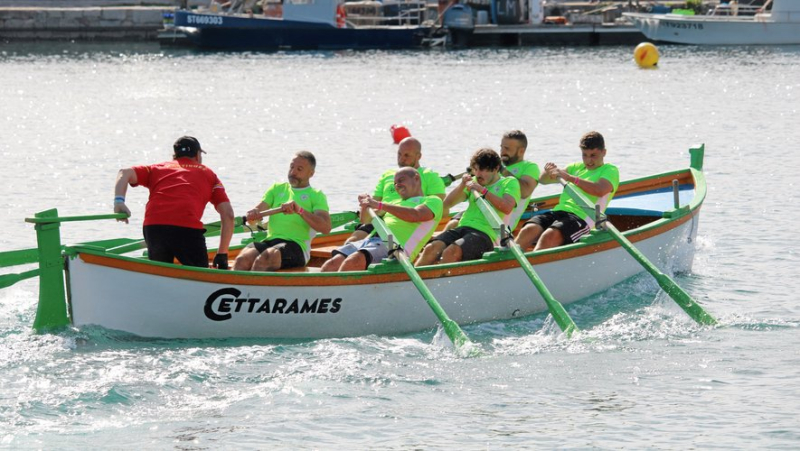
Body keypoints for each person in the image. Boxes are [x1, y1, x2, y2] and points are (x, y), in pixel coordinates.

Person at [113, 136, 235, 269]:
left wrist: (119, 202)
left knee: (160, 274)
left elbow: (124, 173)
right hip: (186, 228)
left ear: (174, 155)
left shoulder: (156, 168)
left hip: (154, 227)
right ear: (197, 155)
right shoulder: (209, 174)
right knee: (199, 275)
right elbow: (228, 215)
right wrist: (222, 254)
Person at [320, 167, 443, 272]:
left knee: (354, 261)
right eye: (394, 183)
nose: (397, 185)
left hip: (396, 248)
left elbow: (415, 215)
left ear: (416, 178)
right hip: (373, 241)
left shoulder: (433, 200)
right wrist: (365, 205)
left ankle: (342, 296)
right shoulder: (394, 202)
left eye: (401, 180)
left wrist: (379, 205)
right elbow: (366, 220)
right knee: (332, 263)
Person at [515, 131, 619, 251]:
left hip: (583, 218)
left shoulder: (610, 170)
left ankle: (533, 266)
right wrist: (548, 171)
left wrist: (569, 178)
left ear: (604, 152)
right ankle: (508, 265)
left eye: (593, 155)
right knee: (528, 230)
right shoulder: (575, 167)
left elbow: (599, 190)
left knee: (549, 236)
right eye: (584, 155)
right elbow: (542, 180)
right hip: (559, 211)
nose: (588, 160)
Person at [415, 148, 520, 265]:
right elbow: (447, 204)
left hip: (487, 235)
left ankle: (444, 280)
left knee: (451, 252)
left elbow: (507, 207)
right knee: (431, 248)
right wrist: (462, 185)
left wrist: (483, 191)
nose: (478, 174)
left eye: (482, 170)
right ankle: (412, 281)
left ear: (495, 169)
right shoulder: (474, 182)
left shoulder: (509, 183)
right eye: (475, 169)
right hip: (464, 227)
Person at [233, 151, 331, 272]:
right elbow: (260, 208)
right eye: (291, 167)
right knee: (242, 259)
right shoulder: (277, 188)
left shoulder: (316, 195)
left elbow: (326, 228)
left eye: (299, 169)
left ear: (311, 173)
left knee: (266, 258)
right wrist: (254, 213)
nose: (293, 172)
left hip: (297, 246)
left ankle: (254, 289)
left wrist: (299, 210)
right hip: (270, 241)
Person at [345, 136, 446, 243]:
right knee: (351, 242)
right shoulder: (387, 175)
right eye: (399, 154)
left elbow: (436, 208)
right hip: (380, 220)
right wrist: (366, 203)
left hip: (405, 223)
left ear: (419, 156)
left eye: (407, 155)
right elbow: (374, 204)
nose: (402, 159)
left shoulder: (430, 175)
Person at [443, 130, 539, 232]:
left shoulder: (530, 167)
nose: (502, 152)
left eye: (507, 148)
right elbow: (447, 203)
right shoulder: (491, 166)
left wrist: (501, 170)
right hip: (478, 213)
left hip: (500, 222)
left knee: (457, 225)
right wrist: (477, 169)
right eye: (501, 147)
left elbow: (525, 192)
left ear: (521, 151)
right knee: (452, 223)